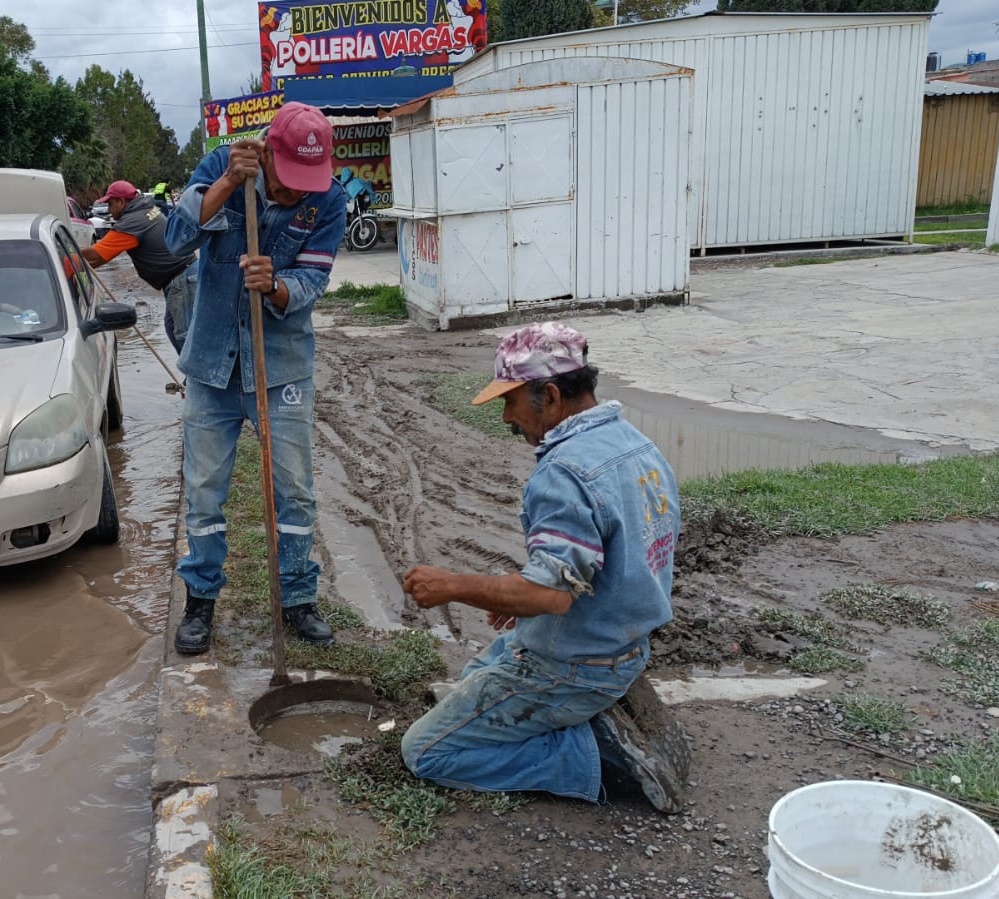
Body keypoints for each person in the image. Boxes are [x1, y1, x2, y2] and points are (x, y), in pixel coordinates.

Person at [399, 322, 690, 814]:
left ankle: (593, 759)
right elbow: (599, 566)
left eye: (510, 402)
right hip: (621, 644)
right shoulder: (635, 443)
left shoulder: (563, 471)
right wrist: (526, 601)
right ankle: (579, 715)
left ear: (550, 396)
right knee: (473, 674)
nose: (507, 417)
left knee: (426, 751)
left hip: (577, 664)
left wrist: (454, 586)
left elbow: (551, 596)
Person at [163, 102, 348, 655]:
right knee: (203, 491)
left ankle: (297, 600)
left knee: (293, 490)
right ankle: (200, 603)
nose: (296, 195)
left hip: (282, 365)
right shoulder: (223, 164)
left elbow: (312, 280)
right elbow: (175, 240)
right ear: (266, 151)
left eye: (305, 184)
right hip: (212, 365)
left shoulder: (329, 197)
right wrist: (224, 185)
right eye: (288, 181)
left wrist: (275, 287)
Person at [80, 180, 198, 354]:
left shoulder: (133, 221)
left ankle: (199, 380)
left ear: (121, 201)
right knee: (173, 328)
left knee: (184, 335)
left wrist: (67, 254)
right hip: (184, 275)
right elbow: (100, 259)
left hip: (182, 278)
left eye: (111, 204)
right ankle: (192, 379)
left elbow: (98, 255)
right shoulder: (146, 210)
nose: (109, 211)